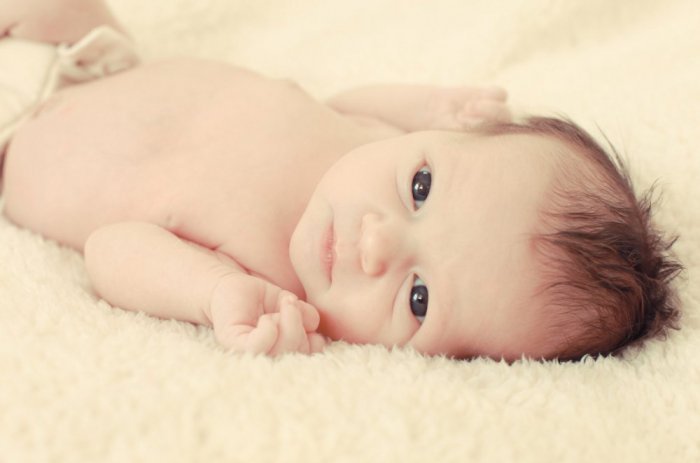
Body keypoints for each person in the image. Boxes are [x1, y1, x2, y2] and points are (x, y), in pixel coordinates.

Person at [0, 0, 682, 361]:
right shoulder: (372, 138)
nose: (377, 243)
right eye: (421, 189)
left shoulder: (279, 282)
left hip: (20, 143)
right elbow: (340, 102)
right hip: (94, 58)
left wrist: (208, 294)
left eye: (418, 298)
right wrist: (429, 104)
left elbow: (110, 247)